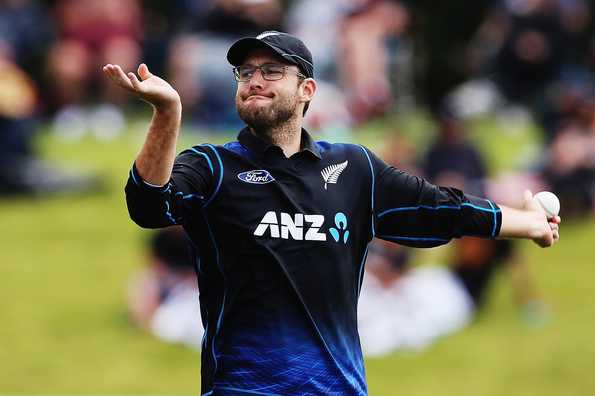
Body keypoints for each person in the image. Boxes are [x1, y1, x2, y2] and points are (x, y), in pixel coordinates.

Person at [103, 31, 560, 396]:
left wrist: (528, 222)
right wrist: (168, 113)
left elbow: (443, 209)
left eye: (271, 71)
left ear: (307, 90)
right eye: (246, 72)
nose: (254, 80)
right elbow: (148, 206)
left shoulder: (354, 169)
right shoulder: (212, 167)